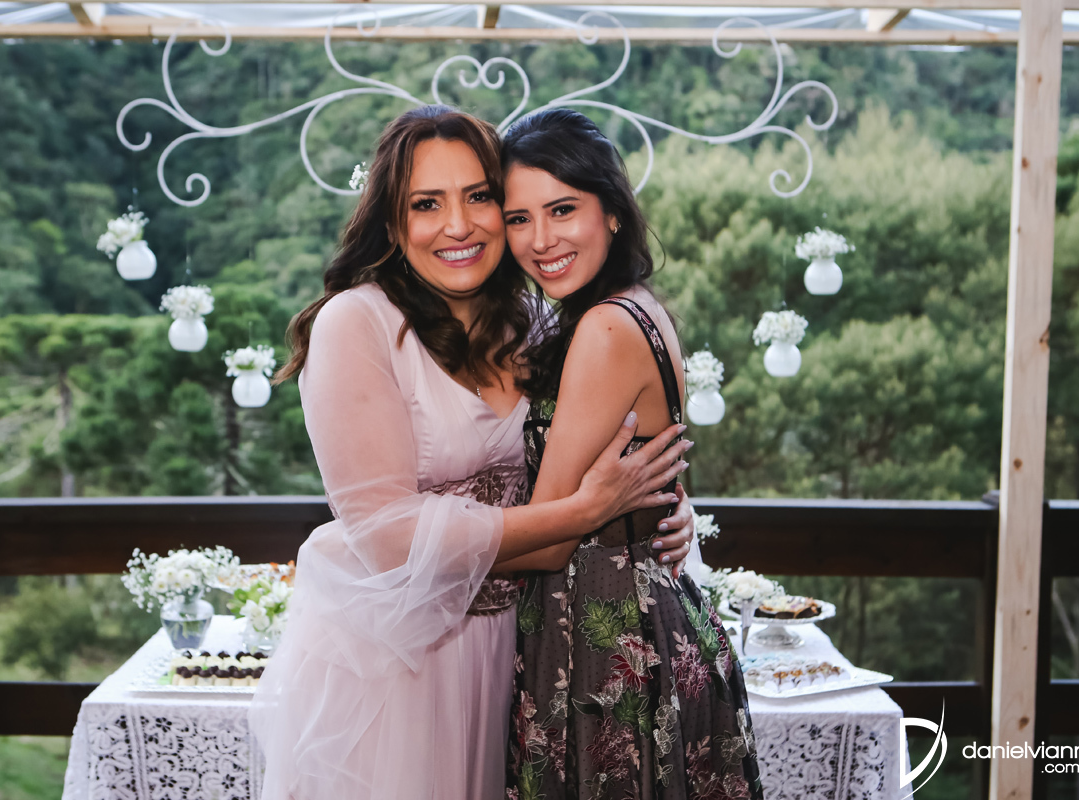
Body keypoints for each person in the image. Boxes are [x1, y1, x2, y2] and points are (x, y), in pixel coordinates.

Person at [248, 105, 697, 800]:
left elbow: (595, 438)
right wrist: (586, 512)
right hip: (401, 659)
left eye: (479, 197)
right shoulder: (356, 323)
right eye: (426, 204)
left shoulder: (533, 322)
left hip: (516, 648)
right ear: (391, 223)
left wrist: (659, 507)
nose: (457, 225)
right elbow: (384, 535)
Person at [500, 108, 764, 800]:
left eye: (562, 209)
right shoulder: (633, 307)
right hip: (638, 614)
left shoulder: (606, 327)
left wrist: (412, 548)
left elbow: (545, 543)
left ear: (612, 211)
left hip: (609, 640)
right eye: (519, 218)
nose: (541, 239)